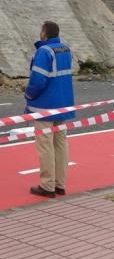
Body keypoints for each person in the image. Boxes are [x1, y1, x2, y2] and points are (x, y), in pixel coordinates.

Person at [25, 20, 74, 198]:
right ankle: (60, 184)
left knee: (45, 145)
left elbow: (38, 80)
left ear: (44, 33)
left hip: (45, 106)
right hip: (63, 104)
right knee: (61, 144)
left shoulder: (44, 52)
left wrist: (28, 94)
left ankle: (47, 186)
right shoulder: (66, 50)